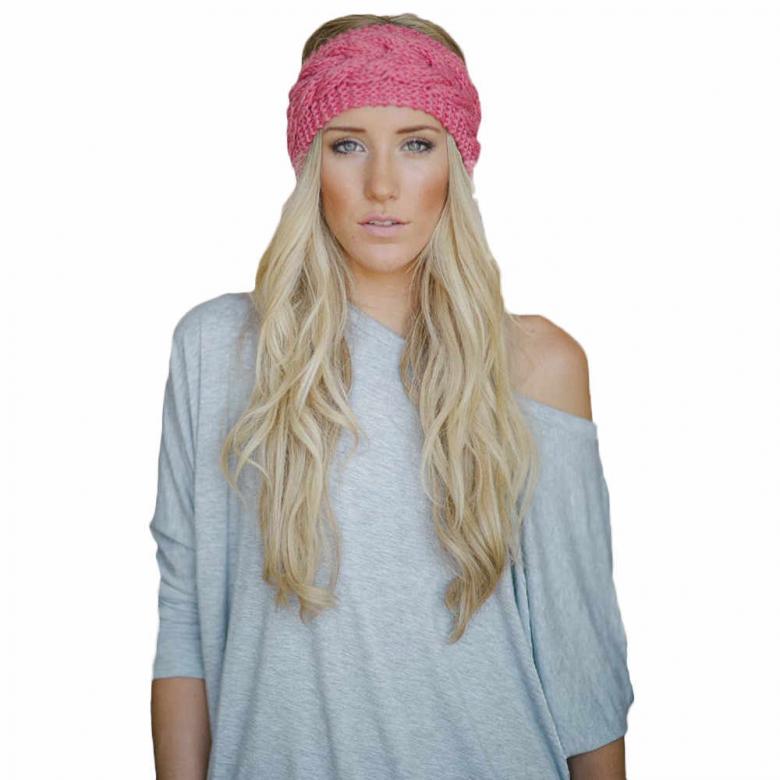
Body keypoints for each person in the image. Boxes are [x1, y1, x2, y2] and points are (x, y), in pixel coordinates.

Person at [148, 14, 634, 780]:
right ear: (310, 164)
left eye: (416, 144)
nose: (382, 184)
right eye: (347, 145)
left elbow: (582, 660)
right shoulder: (220, 348)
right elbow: (186, 619)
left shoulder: (536, 365)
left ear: (456, 164)